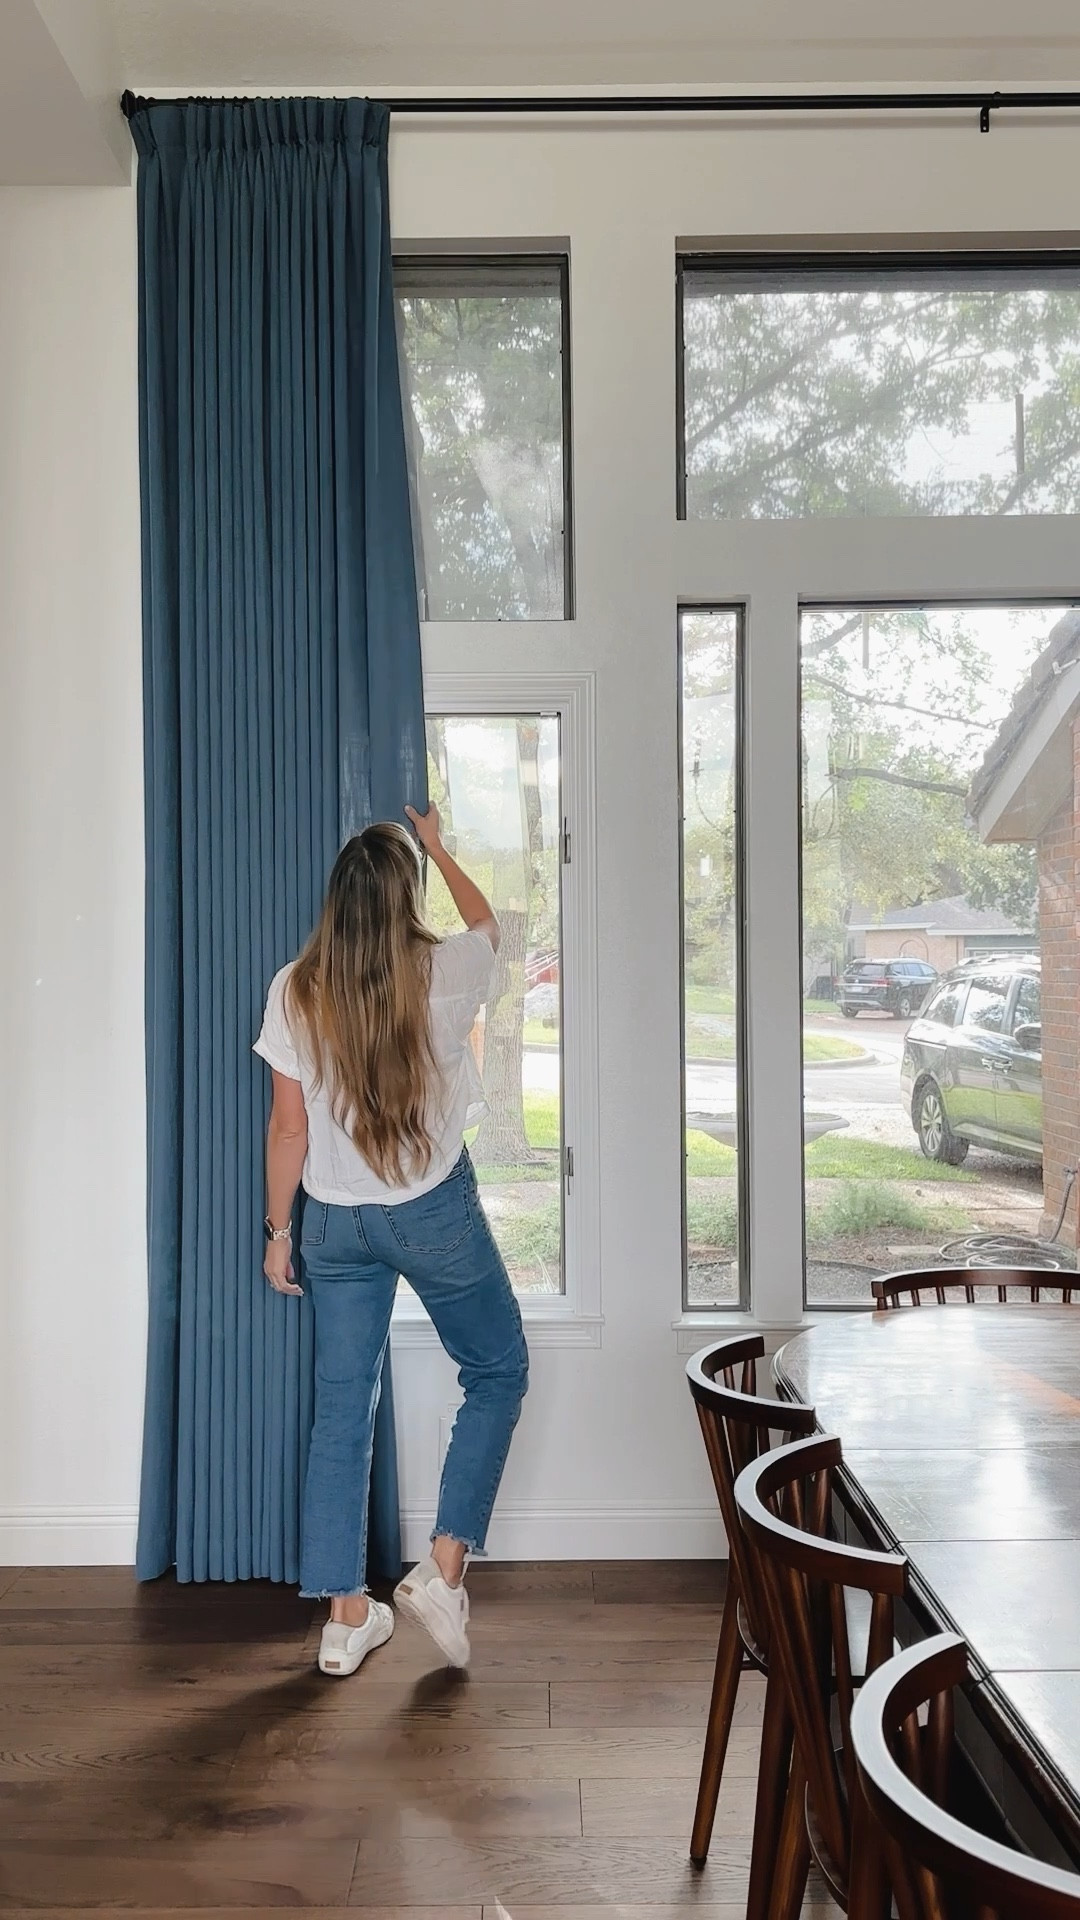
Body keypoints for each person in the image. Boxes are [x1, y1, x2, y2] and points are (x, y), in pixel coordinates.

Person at [253, 805, 528, 1678]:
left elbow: (287, 1128)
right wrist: (441, 845)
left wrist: (278, 1232)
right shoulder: (445, 971)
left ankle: (343, 1618)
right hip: (430, 1211)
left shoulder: (295, 986)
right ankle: (444, 1570)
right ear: (403, 898)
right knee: (498, 1367)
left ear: (338, 901)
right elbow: (490, 925)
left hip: (333, 1223)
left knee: (342, 1407)